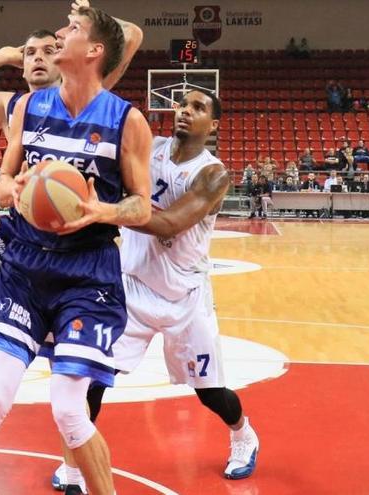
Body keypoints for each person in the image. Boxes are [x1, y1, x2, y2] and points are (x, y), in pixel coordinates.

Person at [0, 7, 151, 495]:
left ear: (95, 51)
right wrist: (14, 188)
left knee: (68, 407)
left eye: (73, 30)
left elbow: (142, 207)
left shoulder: (127, 121)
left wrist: (100, 211)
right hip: (25, 263)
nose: (60, 34)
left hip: (87, 274)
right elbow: (0, 183)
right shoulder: (28, 107)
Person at [116, 89, 260, 480]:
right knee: (91, 374)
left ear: (213, 125)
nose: (185, 111)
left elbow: (170, 224)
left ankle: (243, 435)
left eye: (198, 108)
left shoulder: (214, 174)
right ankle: (75, 458)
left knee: (209, 392)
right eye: (182, 104)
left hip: (185, 295)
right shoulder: (151, 148)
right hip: (132, 286)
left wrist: (104, 211)